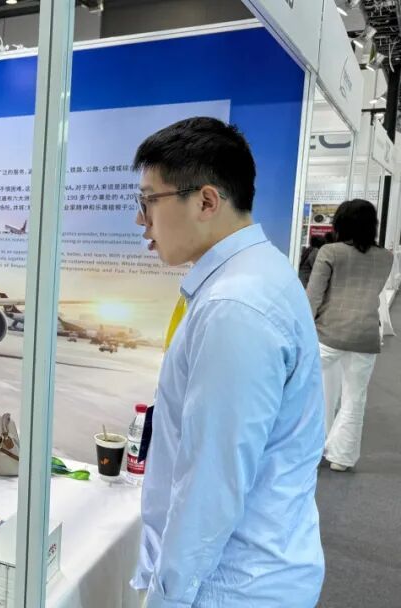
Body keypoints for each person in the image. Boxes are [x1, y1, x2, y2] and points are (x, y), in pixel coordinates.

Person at [128, 117, 325, 607]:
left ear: (206, 201)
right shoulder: (252, 276)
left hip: (231, 584)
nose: (141, 221)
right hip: (249, 567)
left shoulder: (234, 306)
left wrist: (168, 598)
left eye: (149, 201)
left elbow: (212, 482)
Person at [306, 198, 393, 472]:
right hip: (366, 336)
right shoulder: (386, 257)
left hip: (327, 335)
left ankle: (312, 448)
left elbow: (313, 297)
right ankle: (342, 457)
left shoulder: (330, 252)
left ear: (341, 223)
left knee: (316, 393)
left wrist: (303, 330)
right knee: (355, 399)